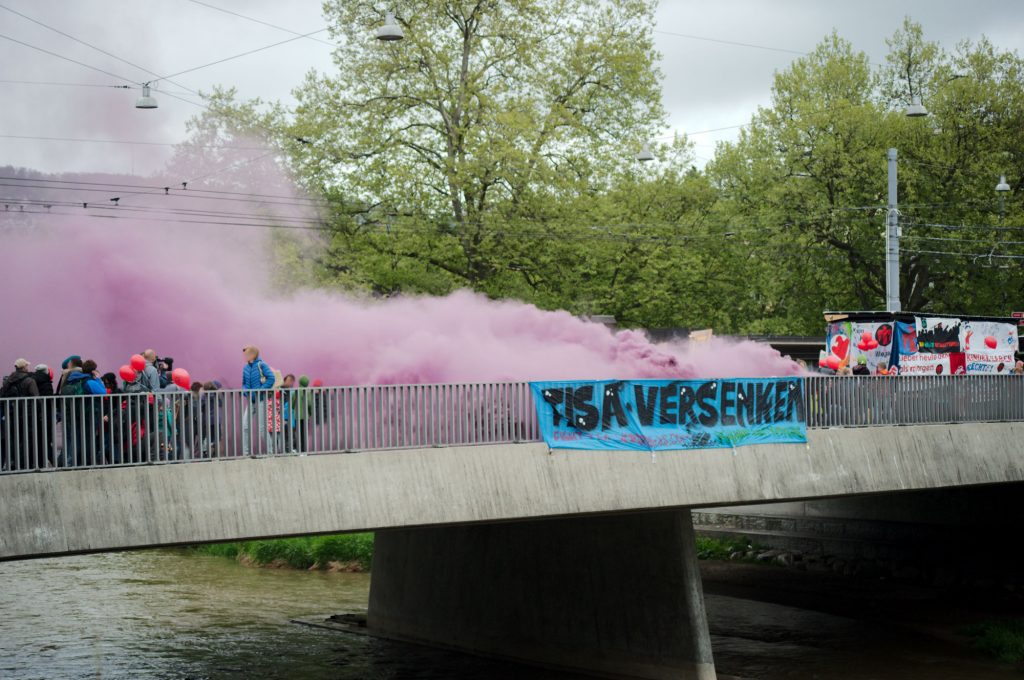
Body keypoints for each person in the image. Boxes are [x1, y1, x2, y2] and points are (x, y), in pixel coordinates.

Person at [60, 359, 105, 467]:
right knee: (88, 438)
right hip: (88, 414)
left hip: (77, 413)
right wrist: (98, 379)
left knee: (77, 438)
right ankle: (87, 461)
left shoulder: (74, 379)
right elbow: (103, 392)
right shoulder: (89, 381)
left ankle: (76, 461)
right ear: (93, 370)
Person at [0, 359, 40, 471]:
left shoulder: (8, 380)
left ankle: (13, 462)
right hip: (27, 414)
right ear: (24, 368)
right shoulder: (29, 380)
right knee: (26, 438)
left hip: (12, 414)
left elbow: (2, 395)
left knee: (13, 439)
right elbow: (36, 397)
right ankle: (24, 463)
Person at [241, 346, 275, 455]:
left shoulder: (262, 365)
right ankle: (246, 453)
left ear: (253, 354)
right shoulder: (245, 367)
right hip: (251, 401)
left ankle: (270, 452)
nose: (245, 356)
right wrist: (245, 391)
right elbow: (244, 383)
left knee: (262, 428)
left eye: (247, 353)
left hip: (261, 400)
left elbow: (271, 378)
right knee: (245, 426)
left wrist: (260, 390)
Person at [32, 364, 56, 467]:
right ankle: (55, 462)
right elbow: (49, 399)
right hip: (46, 415)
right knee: (46, 440)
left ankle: (39, 463)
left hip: (34, 414)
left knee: (37, 439)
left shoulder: (32, 380)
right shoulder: (46, 383)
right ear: (46, 371)